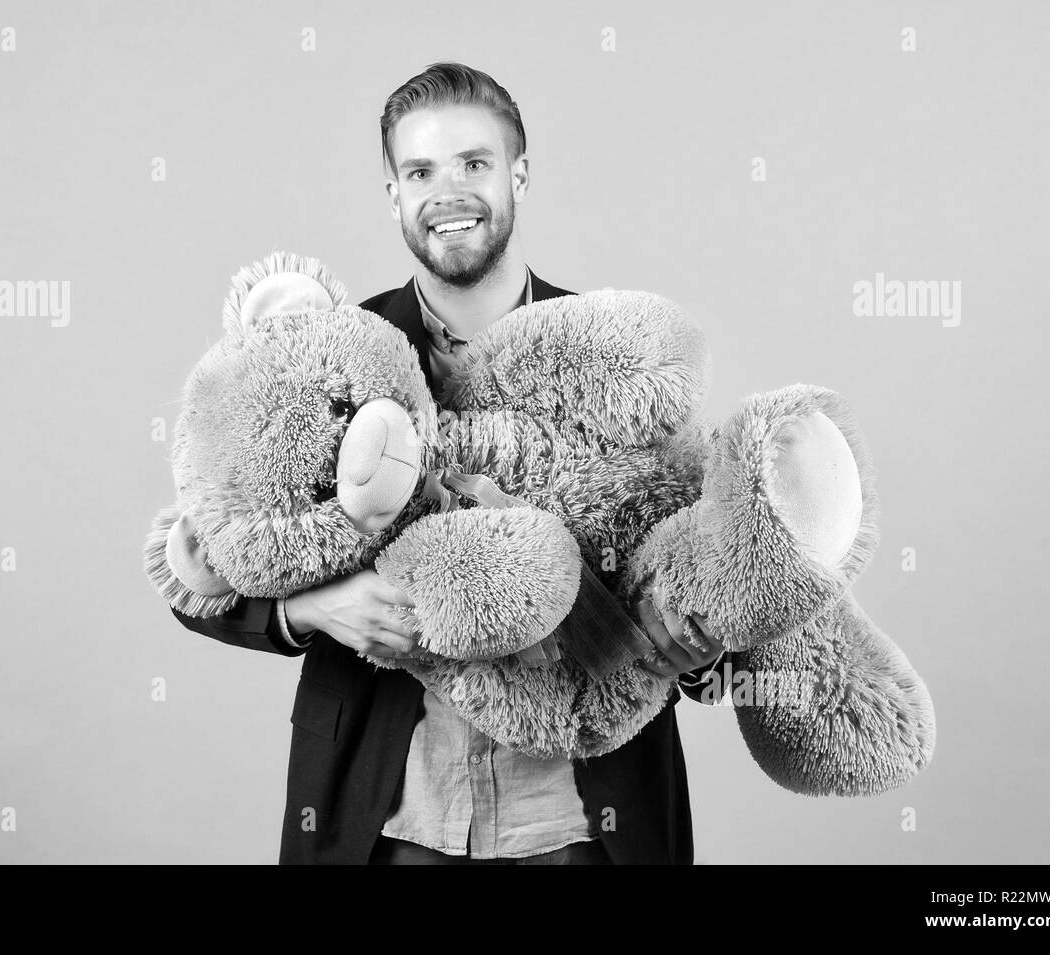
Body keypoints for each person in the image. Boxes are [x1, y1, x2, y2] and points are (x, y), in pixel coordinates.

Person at [172, 62, 726, 865]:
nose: (450, 191)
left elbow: (695, 536)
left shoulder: (618, 352)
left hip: (580, 818)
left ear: (519, 175)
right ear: (392, 193)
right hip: (389, 817)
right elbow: (205, 552)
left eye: (475, 163)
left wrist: (705, 651)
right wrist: (315, 609)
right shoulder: (329, 357)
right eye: (421, 171)